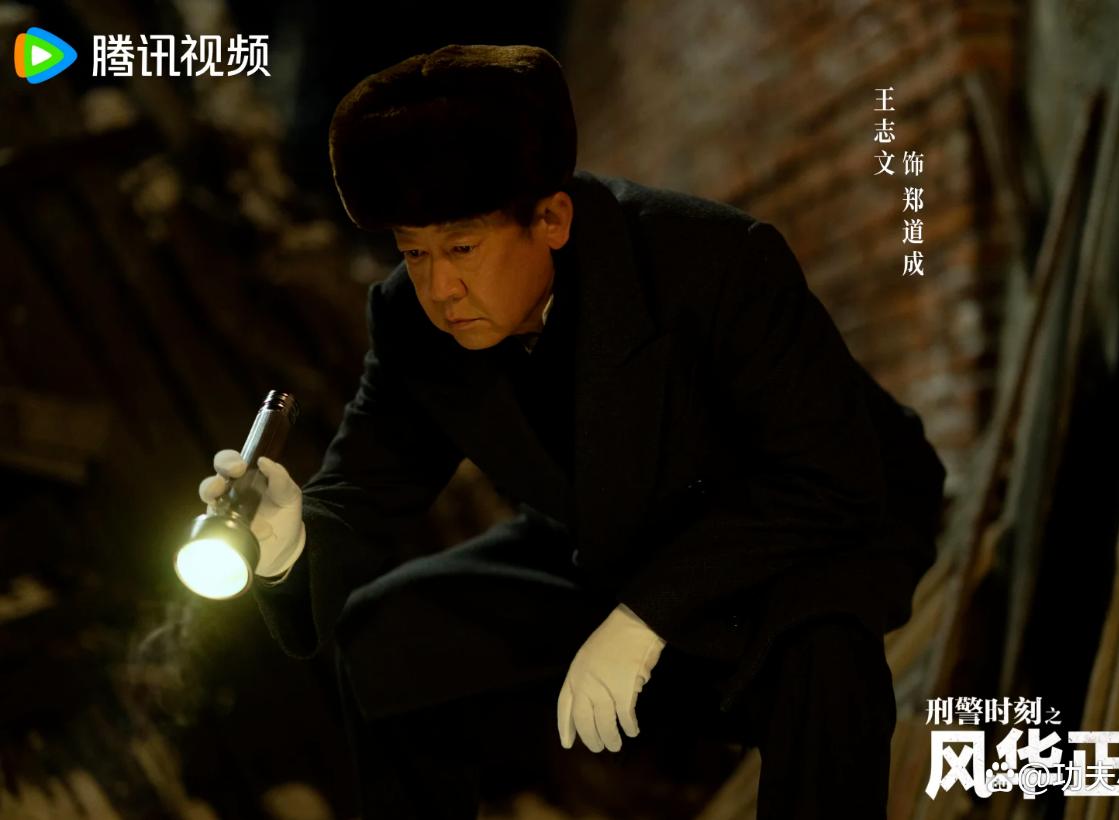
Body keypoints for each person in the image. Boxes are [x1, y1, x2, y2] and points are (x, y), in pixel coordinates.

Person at [198, 43, 946, 819]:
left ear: (552, 218)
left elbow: (827, 478)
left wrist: (646, 616)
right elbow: (363, 486)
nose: (440, 287)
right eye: (413, 253)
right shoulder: (409, 319)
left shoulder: (714, 261)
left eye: (462, 248)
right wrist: (288, 544)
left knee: (824, 653)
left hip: (806, 529)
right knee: (387, 638)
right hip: (610, 539)